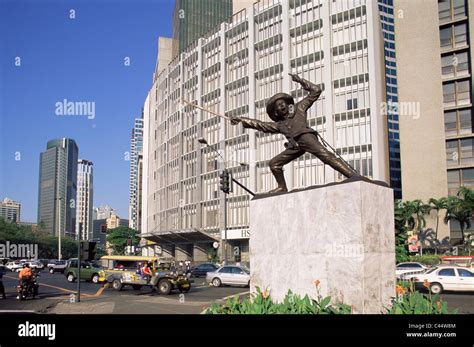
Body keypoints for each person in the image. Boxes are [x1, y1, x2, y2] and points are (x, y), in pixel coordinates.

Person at [231, 73, 360, 193]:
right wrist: (242, 120)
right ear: (276, 113)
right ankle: (282, 187)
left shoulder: (299, 108)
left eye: (282, 104)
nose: (281, 107)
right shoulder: (279, 124)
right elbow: (260, 125)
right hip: (295, 146)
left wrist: (300, 81)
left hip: (306, 137)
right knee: (274, 164)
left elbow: (316, 91)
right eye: (278, 108)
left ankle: (352, 176)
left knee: (326, 156)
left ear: (287, 104)